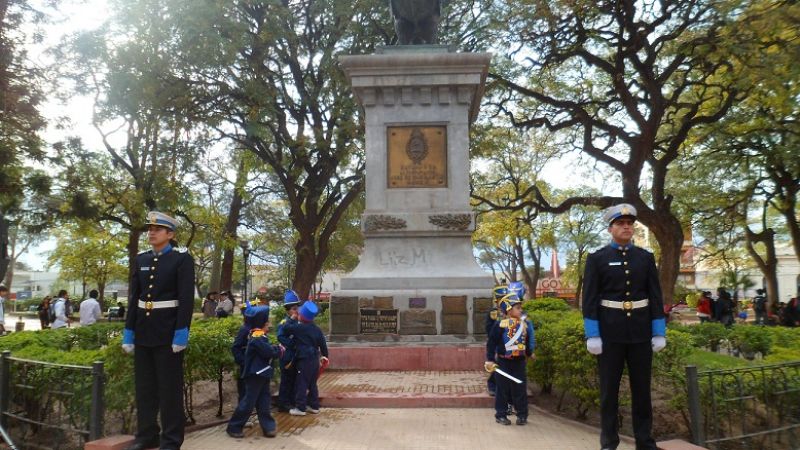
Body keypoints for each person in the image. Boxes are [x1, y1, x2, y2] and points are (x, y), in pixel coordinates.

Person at [582, 204, 666, 450]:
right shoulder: (597, 259)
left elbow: (656, 297)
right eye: (621, 223)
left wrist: (659, 331)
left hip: (640, 334)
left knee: (642, 392)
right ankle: (609, 442)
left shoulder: (645, 258)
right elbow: (589, 299)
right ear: (610, 228)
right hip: (610, 335)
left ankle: (645, 441)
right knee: (609, 392)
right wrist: (593, 335)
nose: (627, 227)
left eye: (630, 223)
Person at [121, 211, 195, 450]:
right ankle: (146, 436)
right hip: (143, 332)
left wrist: (181, 331)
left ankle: (171, 440)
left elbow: (185, 298)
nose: (151, 232)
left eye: (157, 229)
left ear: (170, 234)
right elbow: (135, 299)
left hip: (167, 333)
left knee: (169, 390)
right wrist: (129, 331)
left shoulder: (181, 259)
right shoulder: (141, 259)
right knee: (145, 389)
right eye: (149, 229)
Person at [226, 306, 283, 439]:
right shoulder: (256, 335)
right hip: (255, 374)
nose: (269, 324)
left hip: (263, 374)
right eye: (267, 322)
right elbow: (267, 351)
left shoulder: (259, 334)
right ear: (261, 323)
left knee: (264, 400)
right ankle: (234, 427)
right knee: (249, 402)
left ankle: (268, 427)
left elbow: (266, 348)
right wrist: (279, 350)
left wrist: (274, 348)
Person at [484, 294, 535, 426]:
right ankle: (501, 414)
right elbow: (492, 343)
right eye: (517, 308)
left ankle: (522, 414)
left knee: (520, 388)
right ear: (508, 310)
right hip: (503, 362)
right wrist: (490, 359)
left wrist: (529, 353)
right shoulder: (500, 325)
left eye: (520, 308)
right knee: (502, 389)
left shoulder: (524, 324)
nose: (520, 310)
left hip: (519, 362)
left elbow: (527, 341)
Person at [282, 301, 328, 416]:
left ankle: (300, 408)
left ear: (301, 316)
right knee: (312, 383)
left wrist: (292, 318)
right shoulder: (317, 329)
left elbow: (286, 328)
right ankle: (314, 406)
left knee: (301, 382)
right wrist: (325, 356)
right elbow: (323, 345)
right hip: (314, 359)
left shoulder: (299, 328)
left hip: (304, 359)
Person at [276, 290, 301, 412]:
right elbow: (280, 337)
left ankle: (292, 401)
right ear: (288, 310)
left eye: (298, 308)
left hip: (296, 356)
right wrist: (293, 344)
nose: (297, 311)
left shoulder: (298, 321)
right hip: (287, 356)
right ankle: (283, 404)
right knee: (286, 381)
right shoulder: (284, 323)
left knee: (295, 380)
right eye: (294, 308)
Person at [485, 283, 508, 397]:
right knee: (498, 365)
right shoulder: (494, 312)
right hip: (498, 343)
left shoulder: (509, 310)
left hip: (509, 342)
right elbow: (489, 328)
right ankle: (492, 385)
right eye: (500, 298)